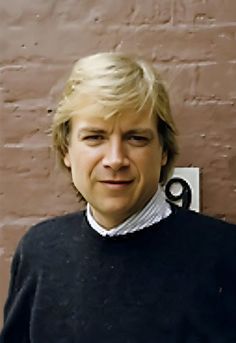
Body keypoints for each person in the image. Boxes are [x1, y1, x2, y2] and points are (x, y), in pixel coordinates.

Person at [1, 52, 236, 343]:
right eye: (95, 137)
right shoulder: (38, 253)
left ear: (163, 151)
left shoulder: (225, 255)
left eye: (136, 138)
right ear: (66, 150)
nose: (115, 159)